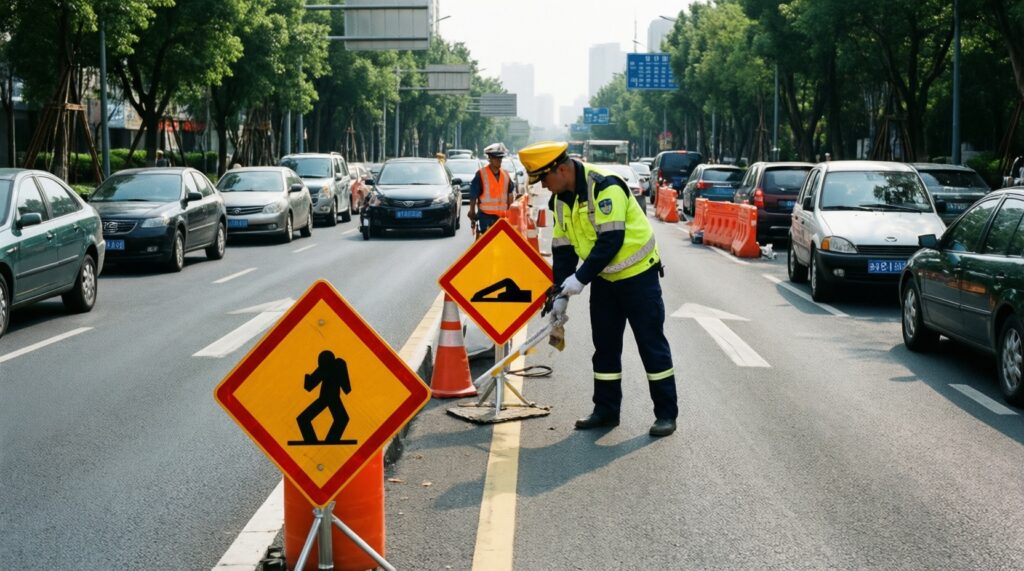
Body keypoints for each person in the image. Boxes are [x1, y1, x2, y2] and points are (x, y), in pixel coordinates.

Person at [519, 141, 678, 437]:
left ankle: (666, 414)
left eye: (544, 179)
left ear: (562, 169)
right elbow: (563, 249)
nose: (543, 186)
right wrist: (559, 294)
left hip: (639, 278)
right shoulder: (559, 201)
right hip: (605, 282)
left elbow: (611, 241)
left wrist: (579, 280)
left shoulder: (606, 188)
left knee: (651, 346)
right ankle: (606, 410)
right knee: (604, 347)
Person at [467, 142, 515, 234]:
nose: (499, 160)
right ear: (490, 158)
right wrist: (472, 211)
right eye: (497, 158)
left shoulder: (506, 175)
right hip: (486, 217)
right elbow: (473, 194)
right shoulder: (481, 174)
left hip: (502, 218)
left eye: (501, 158)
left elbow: (510, 194)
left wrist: (510, 212)